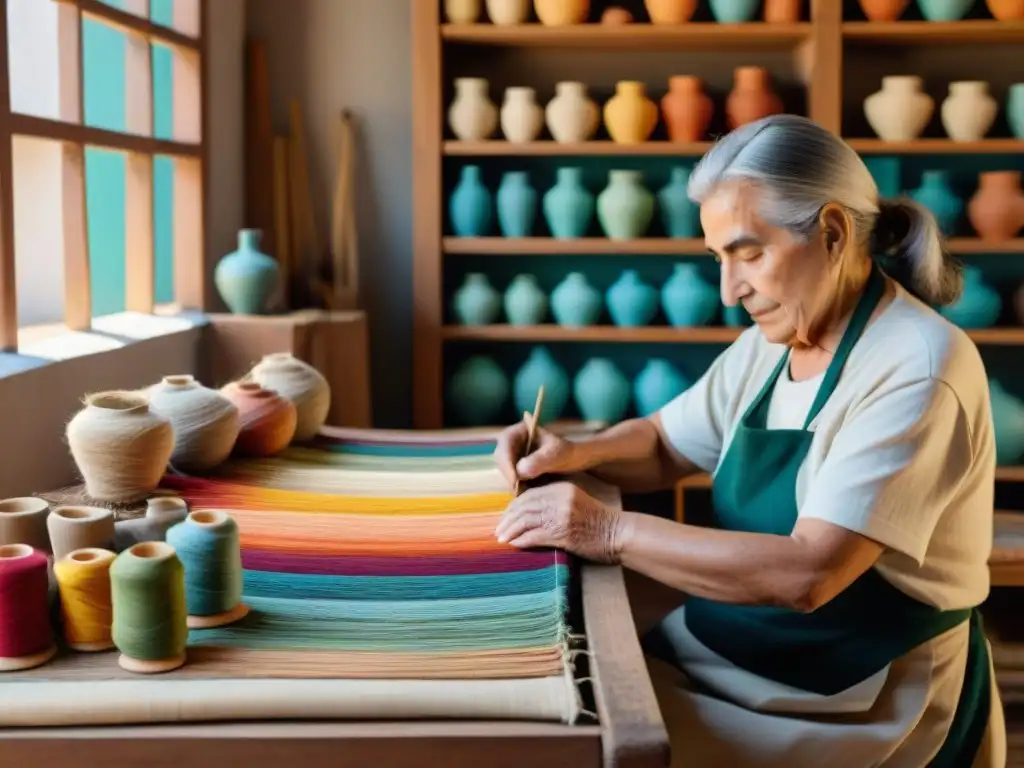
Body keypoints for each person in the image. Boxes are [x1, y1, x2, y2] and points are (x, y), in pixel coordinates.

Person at [492, 114, 1005, 767]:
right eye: (718, 259)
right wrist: (575, 453)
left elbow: (809, 574)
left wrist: (607, 533)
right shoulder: (772, 343)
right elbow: (663, 443)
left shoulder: (918, 365)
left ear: (832, 232)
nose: (730, 291)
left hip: (860, 694)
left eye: (749, 253)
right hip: (732, 650)